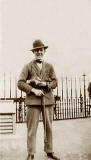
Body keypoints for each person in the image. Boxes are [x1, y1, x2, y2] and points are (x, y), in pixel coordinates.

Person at [17, 39, 60, 160]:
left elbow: (55, 82)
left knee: (49, 127)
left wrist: (45, 85)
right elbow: (20, 83)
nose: (39, 52)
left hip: (48, 100)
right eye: (36, 50)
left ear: (44, 51)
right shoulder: (28, 66)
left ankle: (49, 151)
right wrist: (33, 90)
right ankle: (31, 153)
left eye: (41, 50)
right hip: (32, 101)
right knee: (31, 129)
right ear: (33, 52)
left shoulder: (50, 66)